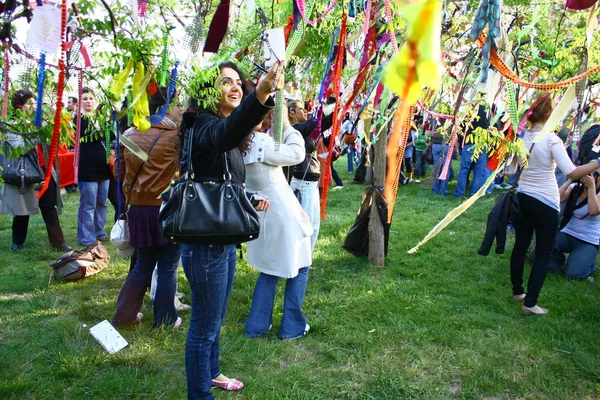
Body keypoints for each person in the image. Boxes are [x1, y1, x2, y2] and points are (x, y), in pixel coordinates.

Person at [180, 61, 280, 399]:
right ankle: (200, 394)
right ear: (209, 91)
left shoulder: (219, 130)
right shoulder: (207, 127)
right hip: (206, 245)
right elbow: (224, 136)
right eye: (226, 82)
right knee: (204, 328)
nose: (236, 88)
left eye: (240, 82)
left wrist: (248, 198)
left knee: (215, 316)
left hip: (220, 239)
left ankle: (213, 373)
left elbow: (221, 184)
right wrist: (261, 94)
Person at [508, 93, 600, 315]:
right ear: (550, 114)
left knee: (520, 245)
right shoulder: (551, 139)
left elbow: (510, 170)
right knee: (543, 253)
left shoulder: (522, 138)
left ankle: (518, 291)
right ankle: (530, 304)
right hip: (545, 202)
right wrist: (597, 162)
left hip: (523, 197)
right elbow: (571, 171)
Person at [112, 87, 185, 328]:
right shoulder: (176, 137)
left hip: (139, 209)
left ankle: (124, 315)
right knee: (167, 266)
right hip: (167, 208)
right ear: (165, 107)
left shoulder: (129, 134)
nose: (181, 109)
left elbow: (118, 172)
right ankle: (165, 319)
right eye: (177, 104)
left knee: (143, 264)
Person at [243, 107, 313, 340]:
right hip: (282, 212)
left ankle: (257, 325)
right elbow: (296, 154)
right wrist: (287, 126)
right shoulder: (259, 141)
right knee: (301, 265)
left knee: (269, 269)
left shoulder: (235, 142)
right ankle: (292, 327)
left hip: (260, 211)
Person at [0, 90, 71, 251]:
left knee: (48, 206)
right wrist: (39, 134)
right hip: (26, 171)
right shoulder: (12, 125)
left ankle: (58, 242)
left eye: (35, 103)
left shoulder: (42, 121)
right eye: (30, 103)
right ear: (19, 106)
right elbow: (20, 148)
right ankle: (17, 241)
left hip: (44, 168)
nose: (35, 107)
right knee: (22, 209)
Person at [289, 99, 333, 252]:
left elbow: (325, 123)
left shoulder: (304, 129)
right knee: (304, 224)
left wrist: (333, 106)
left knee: (314, 224)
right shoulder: (295, 129)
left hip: (311, 183)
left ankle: (306, 259)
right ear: (291, 113)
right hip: (302, 182)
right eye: (301, 109)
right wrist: (322, 106)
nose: (305, 111)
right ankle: (299, 259)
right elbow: (315, 122)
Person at [548, 169, 600, 280]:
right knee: (543, 250)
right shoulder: (576, 188)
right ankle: (558, 260)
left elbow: (593, 211)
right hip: (567, 233)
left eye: (594, 174)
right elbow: (556, 199)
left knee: (572, 274)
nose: (588, 176)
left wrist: (591, 187)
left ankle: (588, 264)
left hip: (587, 240)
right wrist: (570, 180)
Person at [77, 87, 111, 247]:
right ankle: (86, 237)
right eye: (85, 98)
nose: (88, 101)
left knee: (101, 203)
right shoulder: (78, 119)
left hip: (103, 167)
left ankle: (99, 232)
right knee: (88, 204)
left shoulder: (102, 118)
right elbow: (86, 136)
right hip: (87, 168)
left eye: (91, 98)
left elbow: (110, 136)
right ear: (80, 102)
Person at [454, 105, 491, 197]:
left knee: (464, 170)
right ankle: (474, 194)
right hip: (482, 144)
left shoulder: (468, 110)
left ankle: (459, 193)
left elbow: (460, 128)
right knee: (479, 171)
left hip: (469, 143)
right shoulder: (487, 111)